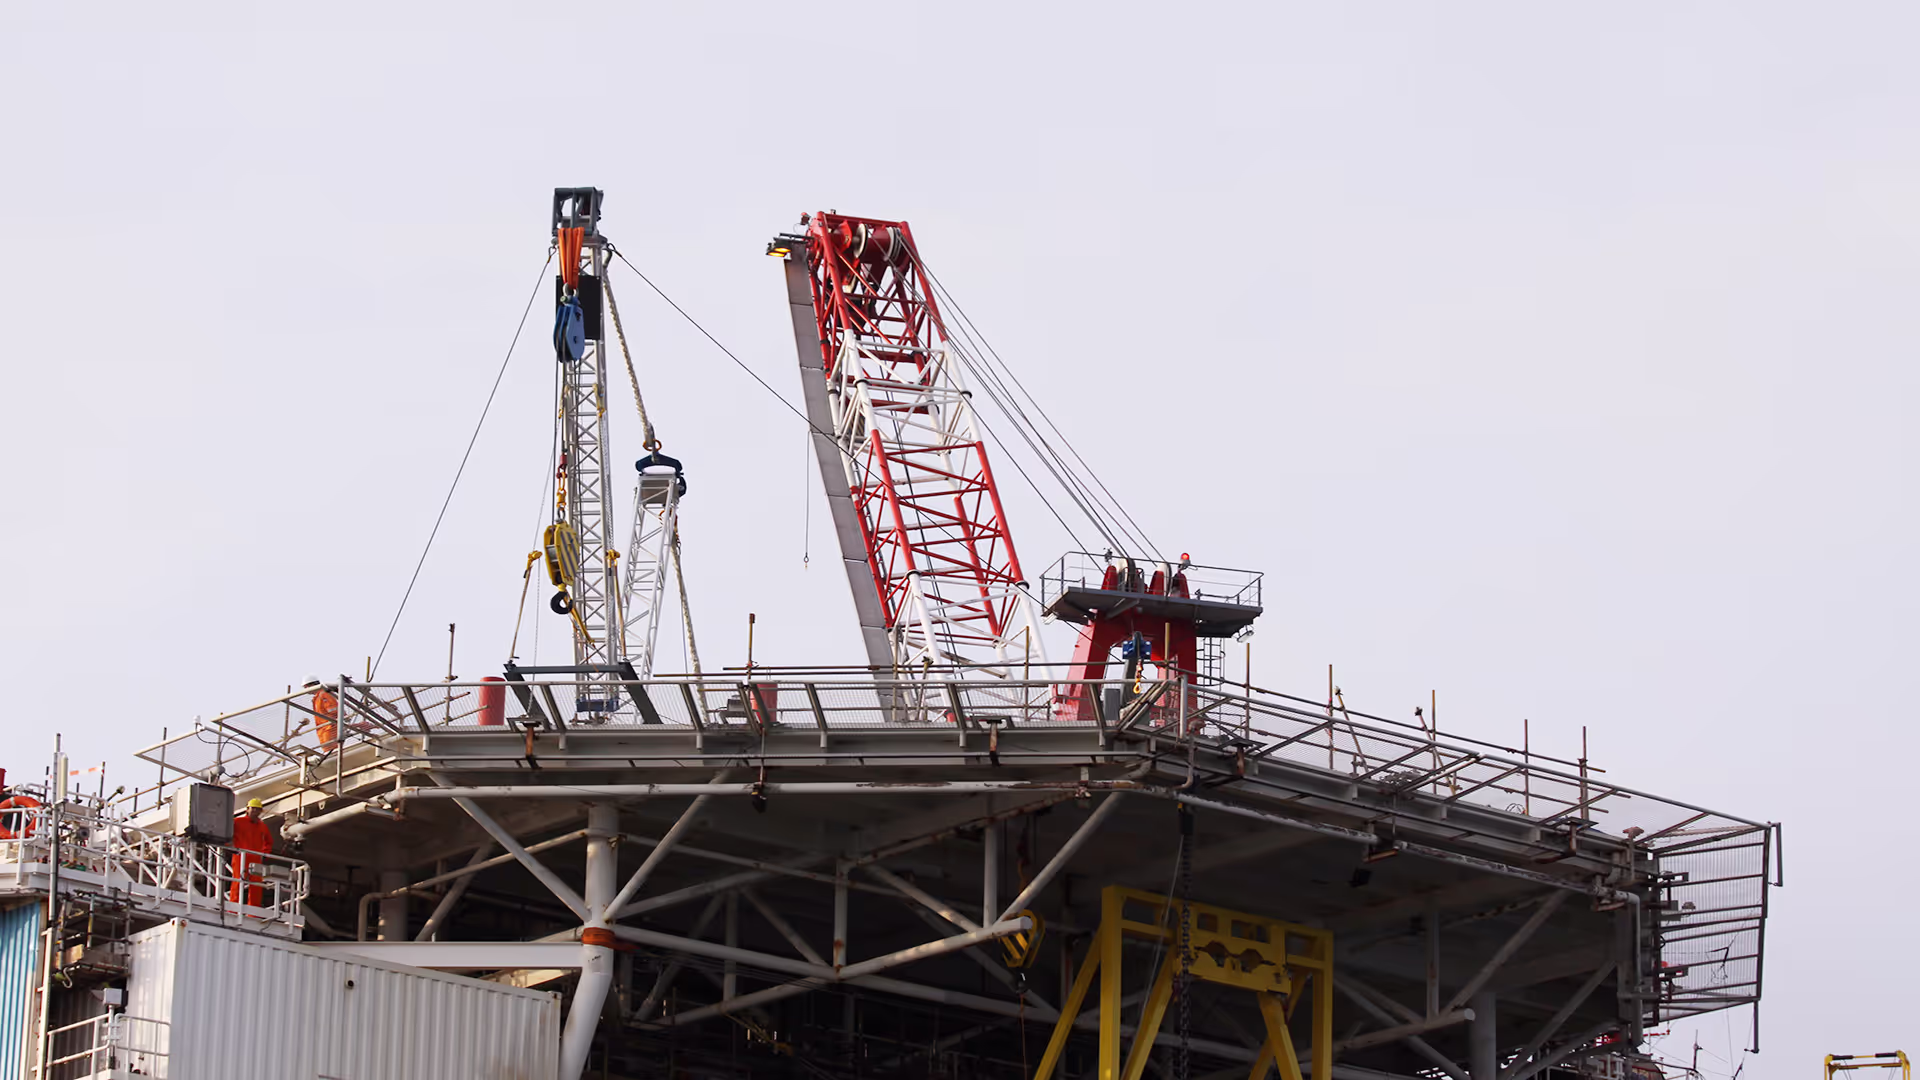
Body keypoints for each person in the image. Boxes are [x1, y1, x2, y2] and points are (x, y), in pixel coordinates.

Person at [229, 798, 275, 906]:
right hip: (240, 856)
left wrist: (265, 853)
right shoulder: (237, 822)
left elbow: (269, 841)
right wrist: (230, 847)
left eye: (258, 809)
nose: (255, 811)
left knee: (256, 884)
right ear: (247, 809)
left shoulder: (262, 826)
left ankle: (253, 909)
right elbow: (227, 835)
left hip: (256, 857)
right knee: (237, 882)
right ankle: (233, 907)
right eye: (253, 809)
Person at [304, 676, 339, 750]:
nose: (305, 690)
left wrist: (335, 721)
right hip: (322, 729)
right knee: (327, 749)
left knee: (331, 750)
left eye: (306, 687)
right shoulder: (316, 698)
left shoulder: (324, 694)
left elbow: (334, 710)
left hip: (329, 727)